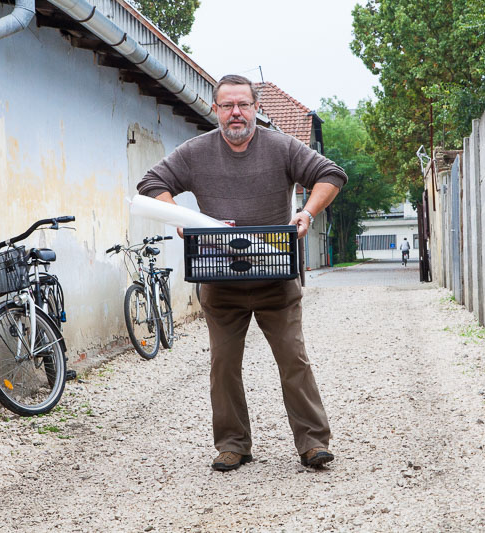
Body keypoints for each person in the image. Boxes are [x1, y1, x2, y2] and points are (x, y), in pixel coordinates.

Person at [137, 74, 348, 471]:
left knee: (294, 361)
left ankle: (313, 443)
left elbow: (331, 174)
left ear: (256, 108)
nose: (236, 112)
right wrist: (182, 218)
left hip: (276, 279)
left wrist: (306, 213)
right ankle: (233, 444)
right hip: (220, 283)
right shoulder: (195, 152)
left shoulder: (281, 147)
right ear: (215, 109)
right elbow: (151, 183)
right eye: (227, 105)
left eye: (243, 105)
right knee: (223, 367)